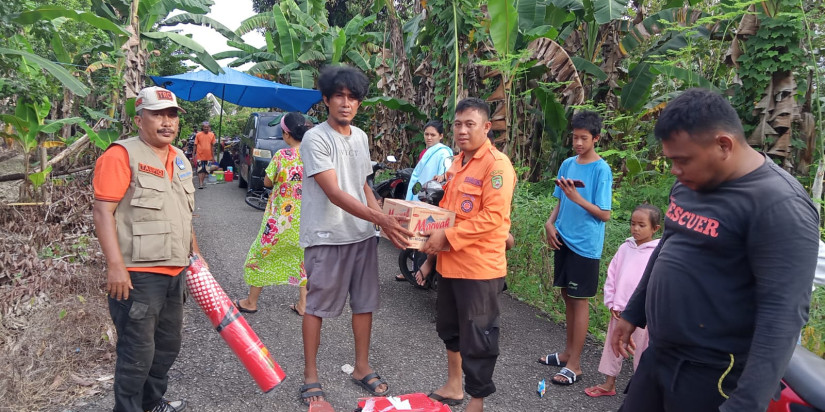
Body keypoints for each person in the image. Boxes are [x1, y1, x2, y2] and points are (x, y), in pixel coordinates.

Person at [610, 88, 819, 412]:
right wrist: (633, 313)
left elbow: (783, 315)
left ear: (723, 145)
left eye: (682, 160)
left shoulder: (778, 205)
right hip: (660, 356)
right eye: (672, 160)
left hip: (714, 374)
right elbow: (668, 246)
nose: (675, 171)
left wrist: (746, 404)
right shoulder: (692, 180)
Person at [297, 65, 413, 406]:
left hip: (362, 236)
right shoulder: (315, 138)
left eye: (352, 98)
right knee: (316, 306)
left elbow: (363, 184)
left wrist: (382, 223)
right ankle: (310, 377)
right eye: (339, 97)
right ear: (326, 100)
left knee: (364, 304)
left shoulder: (361, 137)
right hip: (326, 235)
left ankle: (361, 367)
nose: (346, 104)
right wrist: (381, 218)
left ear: (359, 103)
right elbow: (333, 192)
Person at [92, 86, 205, 412]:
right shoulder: (120, 155)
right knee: (136, 354)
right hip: (137, 275)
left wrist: (196, 257)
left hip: (176, 272)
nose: (167, 122)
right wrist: (115, 266)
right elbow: (103, 212)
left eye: (171, 115)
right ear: (139, 118)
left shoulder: (180, 158)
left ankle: (152, 402)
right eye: (158, 114)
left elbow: (183, 213)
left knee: (167, 347)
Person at [419, 97, 517, 412]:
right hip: (450, 264)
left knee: (479, 337)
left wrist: (445, 235)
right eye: (458, 124)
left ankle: (477, 400)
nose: (462, 130)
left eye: (469, 124)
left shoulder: (497, 165)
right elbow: (448, 213)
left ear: (486, 127)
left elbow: (492, 219)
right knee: (449, 328)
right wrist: (429, 246)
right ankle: (453, 385)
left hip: (479, 268)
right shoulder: (457, 163)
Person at [540, 110, 612, 386]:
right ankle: (567, 352)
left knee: (579, 301)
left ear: (596, 138)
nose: (578, 143)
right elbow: (560, 200)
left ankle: (576, 365)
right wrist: (549, 223)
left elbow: (604, 214)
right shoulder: (568, 164)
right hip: (563, 238)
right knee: (566, 297)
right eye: (575, 138)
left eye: (584, 138)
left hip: (585, 245)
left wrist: (577, 197)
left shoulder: (600, 169)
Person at [235, 112, 312, 316]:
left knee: (260, 255)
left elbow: (268, 182)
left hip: (280, 221)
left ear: (286, 135)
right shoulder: (315, 156)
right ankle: (303, 305)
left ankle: (251, 302)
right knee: (303, 260)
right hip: (307, 221)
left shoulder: (282, 156)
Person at [584, 204, 661, 398]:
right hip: (619, 310)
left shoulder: (657, 253)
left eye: (641, 225)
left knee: (642, 352)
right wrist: (611, 302)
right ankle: (609, 383)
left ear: (655, 229)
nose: (635, 229)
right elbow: (612, 275)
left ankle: (640, 391)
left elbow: (656, 284)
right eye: (633, 224)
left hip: (642, 315)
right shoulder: (624, 248)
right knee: (613, 346)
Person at [392, 120, 453, 283]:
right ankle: (412, 270)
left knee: (425, 236)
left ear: (441, 136)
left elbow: (447, 172)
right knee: (416, 235)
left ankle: (422, 273)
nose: (429, 138)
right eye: (426, 134)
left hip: (432, 200)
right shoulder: (426, 152)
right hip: (421, 197)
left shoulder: (444, 153)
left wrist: (442, 176)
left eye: (433, 135)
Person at [194, 121, 216, 189]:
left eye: (207, 127)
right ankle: (200, 184)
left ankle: (202, 182)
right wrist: (193, 154)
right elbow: (195, 145)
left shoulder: (212, 135)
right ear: (202, 127)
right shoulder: (198, 134)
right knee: (200, 170)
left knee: (205, 170)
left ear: (209, 127)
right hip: (200, 155)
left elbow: (212, 146)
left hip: (208, 156)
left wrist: (213, 156)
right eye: (205, 127)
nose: (206, 128)